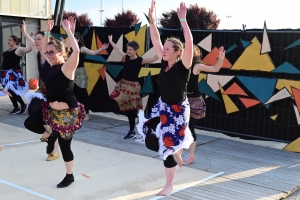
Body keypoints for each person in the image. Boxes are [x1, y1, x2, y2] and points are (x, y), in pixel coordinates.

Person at [136, 0, 194, 196]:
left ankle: (169, 185)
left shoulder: (183, 66)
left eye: (168, 49)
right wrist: (152, 21)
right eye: (165, 48)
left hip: (177, 112)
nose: (164, 50)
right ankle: (177, 151)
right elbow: (155, 40)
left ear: (177, 53)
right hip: (163, 108)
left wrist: (183, 21)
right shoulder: (164, 63)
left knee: (167, 148)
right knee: (151, 141)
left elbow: (190, 44)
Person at [24, 19, 84, 188]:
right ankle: (50, 135)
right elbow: (42, 50)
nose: (48, 55)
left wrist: (68, 31)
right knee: (30, 122)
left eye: (52, 52)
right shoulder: (49, 68)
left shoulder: (66, 68)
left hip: (67, 116)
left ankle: (69, 176)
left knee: (65, 148)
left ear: (61, 53)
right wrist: (48, 32)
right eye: (47, 53)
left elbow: (76, 51)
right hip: (50, 112)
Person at [21, 20, 61, 161]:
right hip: (42, 90)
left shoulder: (47, 54)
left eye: (39, 39)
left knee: (52, 120)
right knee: (33, 111)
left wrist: (48, 31)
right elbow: (32, 44)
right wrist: (25, 32)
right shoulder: (39, 53)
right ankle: (48, 134)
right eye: (36, 39)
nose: (36, 41)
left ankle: (55, 149)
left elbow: (46, 46)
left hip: (54, 93)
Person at [108, 35, 158, 139]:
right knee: (122, 104)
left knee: (131, 109)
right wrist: (111, 41)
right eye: (127, 49)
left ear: (136, 50)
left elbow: (154, 58)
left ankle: (132, 130)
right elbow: (117, 49)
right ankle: (134, 125)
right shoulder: (126, 57)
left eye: (130, 50)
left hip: (133, 88)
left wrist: (160, 48)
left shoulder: (140, 60)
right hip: (123, 85)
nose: (128, 51)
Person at [184, 45, 225, 165]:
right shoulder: (180, 65)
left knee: (190, 128)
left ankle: (191, 155)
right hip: (182, 100)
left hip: (193, 101)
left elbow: (215, 69)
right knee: (180, 127)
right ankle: (177, 152)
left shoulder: (196, 66)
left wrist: (221, 58)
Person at [72, 32, 109, 121]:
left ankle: (87, 114)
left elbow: (92, 52)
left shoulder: (82, 48)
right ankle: (75, 113)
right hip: (72, 72)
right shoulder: (70, 48)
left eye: (74, 39)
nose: (72, 40)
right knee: (73, 93)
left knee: (82, 94)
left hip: (80, 72)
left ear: (78, 40)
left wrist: (101, 48)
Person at [0, 35, 32, 114]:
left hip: (13, 73)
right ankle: (16, 107)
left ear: (15, 41)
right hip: (6, 73)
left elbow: (29, 49)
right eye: (8, 40)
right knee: (8, 90)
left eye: (10, 40)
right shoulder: (8, 50)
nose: (8, 41)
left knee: (13, 90)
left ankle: (23, 105)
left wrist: (31, 38)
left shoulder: (19, 49)